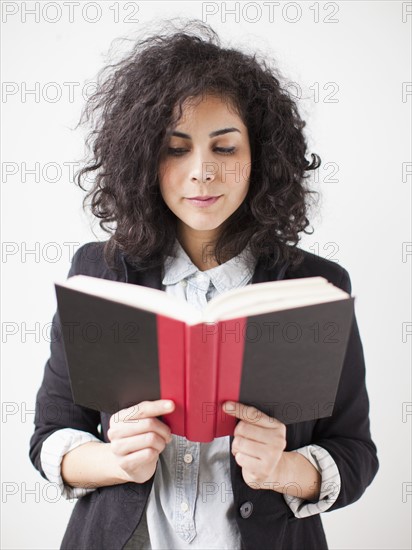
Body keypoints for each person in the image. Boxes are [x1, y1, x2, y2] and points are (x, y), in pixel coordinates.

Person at [29, 18, 379, 550]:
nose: (201, 172)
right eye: (176, 148)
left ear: (259, 157)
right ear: (144, 160)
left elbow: (356, 452)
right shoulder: (100, 274)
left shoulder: (315, 285)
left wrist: (283, 470)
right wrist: (114, 459)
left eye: (225, 147)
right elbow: (51, 436)